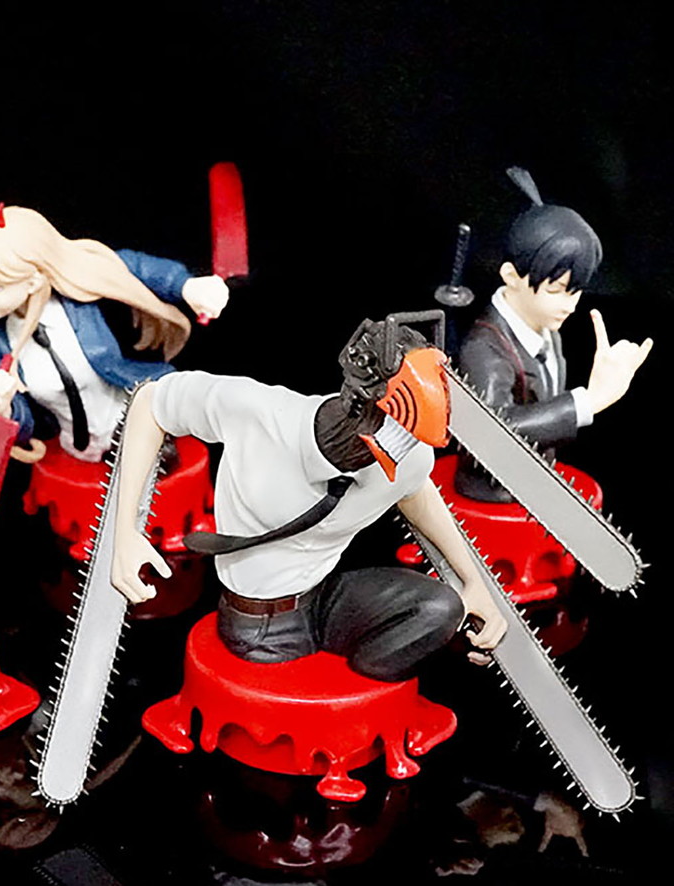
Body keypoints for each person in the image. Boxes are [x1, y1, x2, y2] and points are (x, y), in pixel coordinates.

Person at [110, 315, 507, 683]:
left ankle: (352, 698)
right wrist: (125, 533)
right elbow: (151, 402)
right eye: (396, 435)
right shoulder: (258, 414)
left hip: (323, 597)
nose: (403, 450)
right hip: (257, 623)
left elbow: (415, 490)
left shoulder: (410, 456)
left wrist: (472, 581)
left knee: (439, 608)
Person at [0, 205, 229, 463]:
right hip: (78, 448)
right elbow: (24, 425)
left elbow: (128, 266)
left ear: (33, 280)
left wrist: (186, 286)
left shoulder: (78, 301)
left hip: (139, 421)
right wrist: (2, 409)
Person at [455, 167, 652, 501]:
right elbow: (489, 435)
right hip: (493, 490)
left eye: (576, 291)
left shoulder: (547, 330)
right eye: (556, 290)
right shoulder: (483, 348)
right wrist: (588, 401)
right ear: (511, 276)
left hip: (534, 482)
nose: (570, 305)